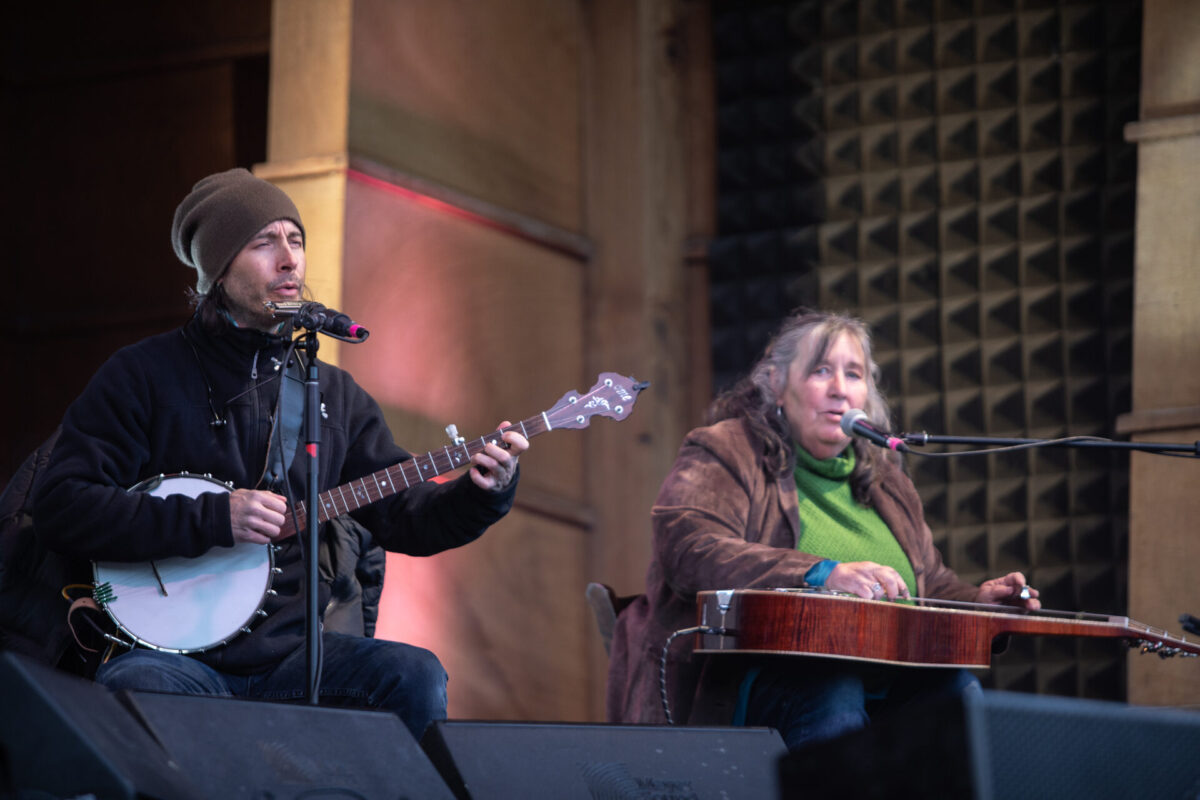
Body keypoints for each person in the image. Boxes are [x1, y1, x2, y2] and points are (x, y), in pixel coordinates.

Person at [31, 168, 528, 741]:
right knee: (136, 687)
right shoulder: (142, 376)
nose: (289, 259)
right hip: (168, 660)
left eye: (295, 240)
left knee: (412, 675)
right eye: (264, 242)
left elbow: (406, 518)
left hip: (291, 660)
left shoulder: (332, 394)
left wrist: (484, 492)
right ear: (217, 269)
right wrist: (217, 518)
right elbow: (63, 505)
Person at [606, 308, 1039, 751]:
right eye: (820, 371)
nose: (839, 390)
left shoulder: (888, 479)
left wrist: (977, 601)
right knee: (835, 689)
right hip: (740, 685)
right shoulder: (725, 449)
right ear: (776, 384)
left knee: (957, 693)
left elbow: (926, 584)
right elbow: (691, 549)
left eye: (853, 375)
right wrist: (822, 573)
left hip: (884, 683)